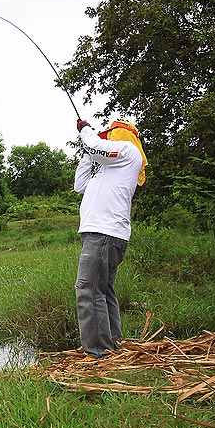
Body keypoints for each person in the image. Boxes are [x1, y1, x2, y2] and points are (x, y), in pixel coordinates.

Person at [72, 118, 148, 359]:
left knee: (87, 289)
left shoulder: (129, 151)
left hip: (104, 233)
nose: (109, 137)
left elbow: (98, 147)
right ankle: (113, 344)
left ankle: (98, 353)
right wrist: (88, 152)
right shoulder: (108, 168)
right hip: (100, 234)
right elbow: (79, 184)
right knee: (102, 290)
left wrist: (87, 131)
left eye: (111, 133)